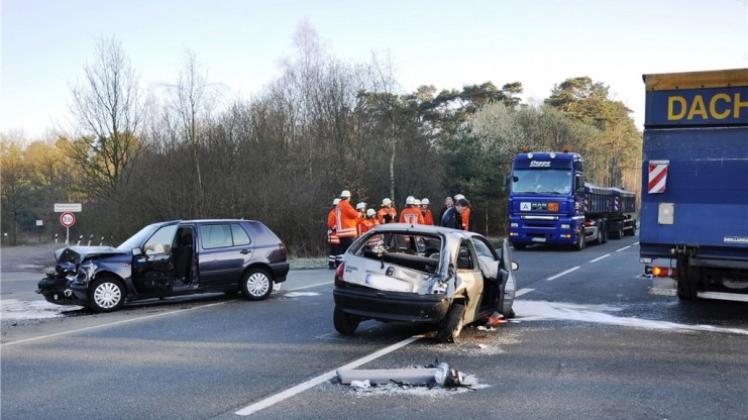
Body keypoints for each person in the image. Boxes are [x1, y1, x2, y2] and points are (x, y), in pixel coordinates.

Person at [335, 190, 360, 266]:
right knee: (351, 248)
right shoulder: (346, 205)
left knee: (342, 249)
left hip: (340, 231)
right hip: (347, 231)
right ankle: (347, 264)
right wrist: (360, 214)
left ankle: (339, 263)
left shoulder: (338, 205)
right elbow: (354, 214)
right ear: (348, 197)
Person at [327, 198, 341, 269]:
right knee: (333, 251)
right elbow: (330, 224)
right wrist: (336, 227)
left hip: (337, 235)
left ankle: (337, 264)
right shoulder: (332, 213)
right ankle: (331, 264)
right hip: (333, 235)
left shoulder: (337, 213)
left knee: (338, 251)